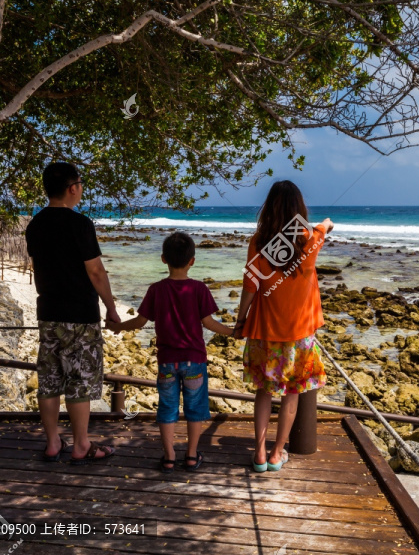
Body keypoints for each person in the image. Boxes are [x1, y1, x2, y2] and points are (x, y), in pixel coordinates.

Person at [107, 232, 232, 473]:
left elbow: (140, 321)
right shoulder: (198, 288)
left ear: (163, 259)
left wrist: (118, 327)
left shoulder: (156, 289)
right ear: (192, 261)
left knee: (167, 408)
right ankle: (192, 456)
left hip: (167, 363)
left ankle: (169, 456)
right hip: (194, 361)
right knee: (195, 408)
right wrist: (233, 331)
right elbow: (209, 323)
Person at [233, 180, 333, 472]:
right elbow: (324, 226)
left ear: (270, 206)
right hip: (299, 332)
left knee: (264, 392)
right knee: (291, 393)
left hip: (265, 329)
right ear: (299, 207)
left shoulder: (259, 240)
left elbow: (250, 286)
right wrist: (325, 224)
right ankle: (278, 453)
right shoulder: (309, 237)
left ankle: (260, 453)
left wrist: (240, 322)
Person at [25, 162, 120, 465]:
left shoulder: (35, 225)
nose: (80, 189)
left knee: (50, 379)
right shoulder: (80, 224)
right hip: (79, 314)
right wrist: (112, 308)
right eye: (80, 183)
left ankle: (53, 442)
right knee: (79, 380)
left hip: (48, 312)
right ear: (72, 188)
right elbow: (95, 272)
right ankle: (81, 444)